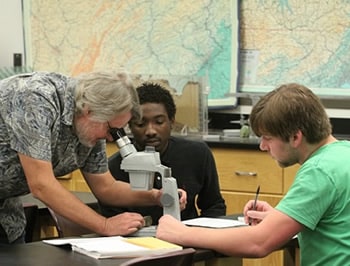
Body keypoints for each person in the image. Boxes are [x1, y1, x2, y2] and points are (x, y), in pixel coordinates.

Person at [156, 83, 350, 265]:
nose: (263, 146)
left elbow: (259, 243)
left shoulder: (319, 171)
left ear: (295, 137)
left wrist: (180, 233)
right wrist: (281, 218)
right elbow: (337, 226)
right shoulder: (343, 154)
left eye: (267, 138)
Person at [0, 70, 186, 244]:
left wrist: (156, 196)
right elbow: (42, 185)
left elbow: (106, 187)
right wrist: (104, 225)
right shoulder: (34, 98)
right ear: (89, 111)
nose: (111, 137)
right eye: (110, 128)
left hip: (6, 215)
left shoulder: (92, 125)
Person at [100, 82, 226, 223]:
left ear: (172, 121)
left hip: (188, 238)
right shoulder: (113, 169)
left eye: (159, 122)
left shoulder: (197, 154)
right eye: (141, 124)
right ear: (129, 125)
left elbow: (214, 206)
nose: (150, 131)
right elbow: (112, 220)